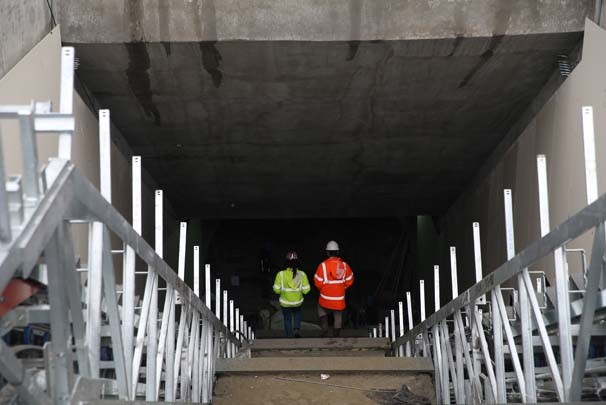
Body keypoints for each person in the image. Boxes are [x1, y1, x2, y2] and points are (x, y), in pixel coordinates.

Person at [314, 241, 354, 337]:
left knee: (320, 307)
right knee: (338, 314)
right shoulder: (344, 265)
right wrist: (342, 287)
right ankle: (336, 335)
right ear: (338, 252)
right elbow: (350, 280)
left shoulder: (322, 265)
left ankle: (324, 329)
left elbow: (317, 282)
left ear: (327, 252)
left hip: (326, 296)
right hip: (339, 297)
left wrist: (323, 289)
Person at [273, 251, 311, 338]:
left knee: (287, 319)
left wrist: (283, 291)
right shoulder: (302, 274)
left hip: (285, 303)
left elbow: (276, 290)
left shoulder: (280, 275)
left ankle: (289, 336)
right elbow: (306, 290)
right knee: (297, 315)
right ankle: (296, 331)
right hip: (298, 302)